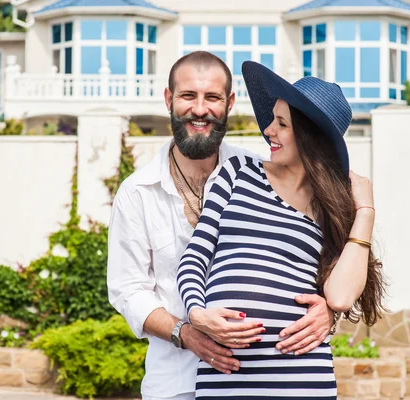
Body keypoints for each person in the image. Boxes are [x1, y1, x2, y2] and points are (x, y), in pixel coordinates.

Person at [107, 52, 337, 400]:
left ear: (229, 103)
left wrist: (330, 311)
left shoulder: (260, 171)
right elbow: (128, 291)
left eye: (212, 97)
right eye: (188, 96)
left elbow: (315, 251)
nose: (200, 109)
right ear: (169, 99)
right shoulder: (136, 193)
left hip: (268, 380)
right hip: (175, 384)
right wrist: (186, 333)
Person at [177, 61, 386, 399]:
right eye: (273, 119)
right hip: (224, 377)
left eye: (282, 123)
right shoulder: (238, 173)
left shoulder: (332, 207)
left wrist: (365, 211)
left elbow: (341, 296)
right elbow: (196, 256)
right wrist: (197, 313)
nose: (268, 130)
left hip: (302, 377)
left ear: (309, 135)